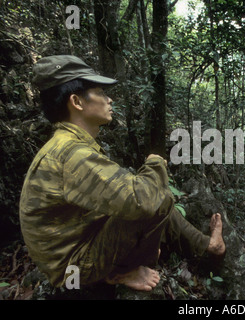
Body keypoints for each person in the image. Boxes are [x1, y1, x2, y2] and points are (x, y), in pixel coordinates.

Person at [19, 55, 225, 292]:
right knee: (157, 198)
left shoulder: (68, 143)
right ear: (77, 101)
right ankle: (124, 271)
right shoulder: (71, 153)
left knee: (151, 196)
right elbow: (144, 201)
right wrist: (155, 164)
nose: (110, 99)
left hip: (75, 249)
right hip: (73, 268)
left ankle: (208, 248)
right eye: (100, 93)